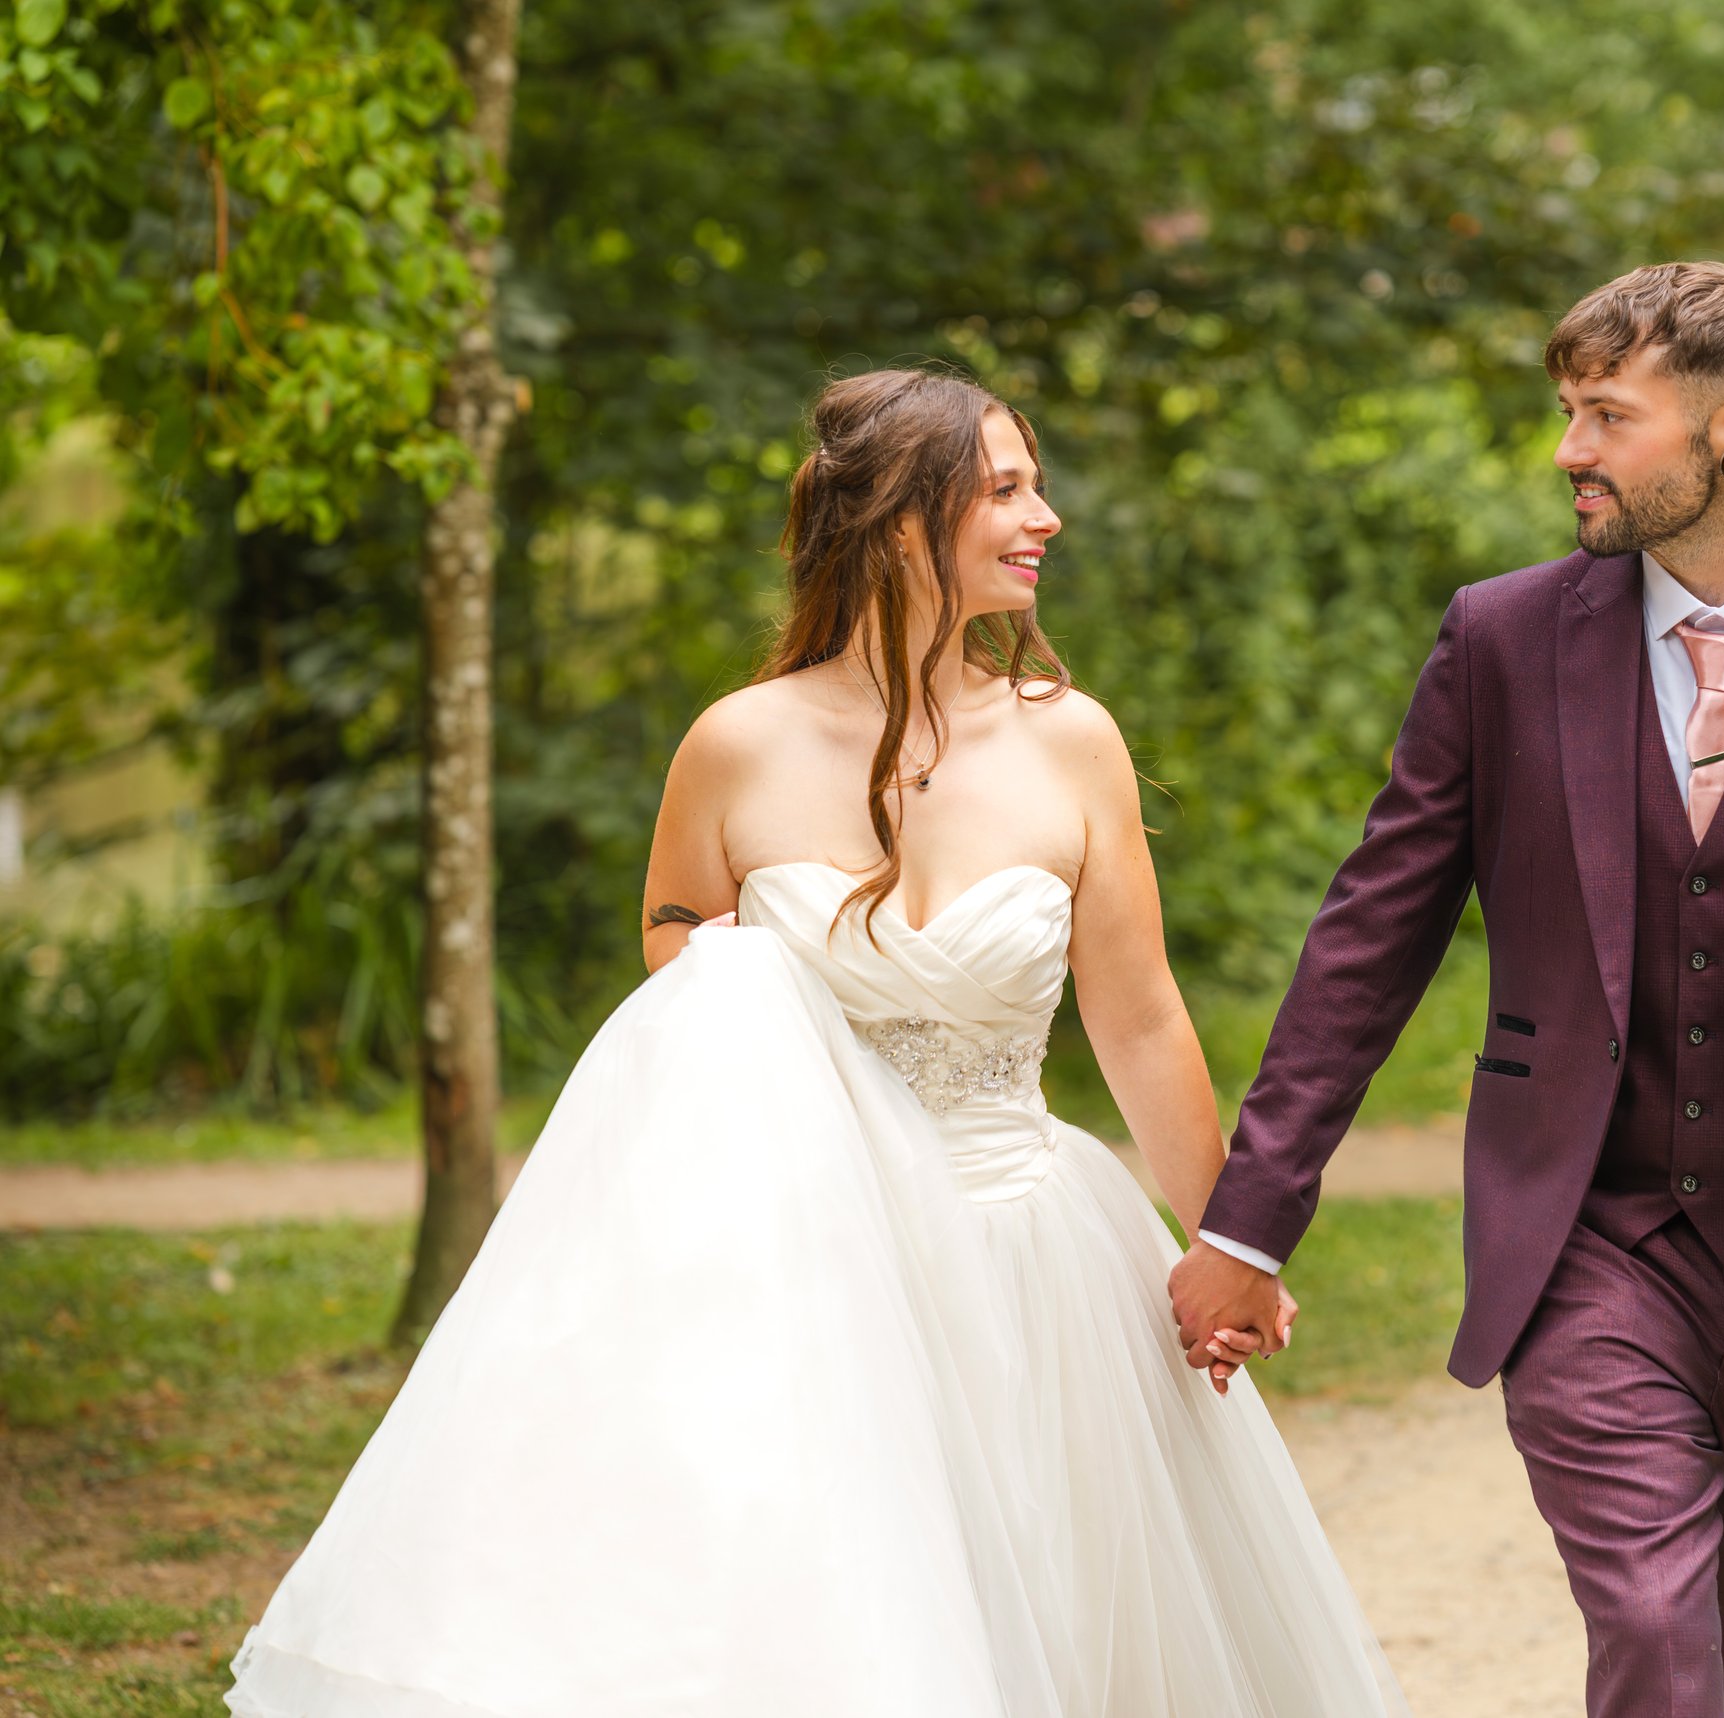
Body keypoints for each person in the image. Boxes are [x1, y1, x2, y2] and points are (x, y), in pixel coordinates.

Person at [225, 366, 1408, 1718]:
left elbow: (1136, 1014)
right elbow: (681, 979)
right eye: (1008, 487)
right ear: (903, 521)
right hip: (803, 1271)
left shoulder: (1073, 743)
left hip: (1029, 1252)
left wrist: (1226, 1243)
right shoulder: (735, 745)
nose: (1049, 517)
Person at [1169, 261, 1724, 1718]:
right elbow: (1367, 941)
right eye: (1566, 410)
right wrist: (1250, 1220)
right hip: (1582, 1232)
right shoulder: (1503, 641)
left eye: (1605, 415)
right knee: (1650, 1617)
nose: (1568, 450)